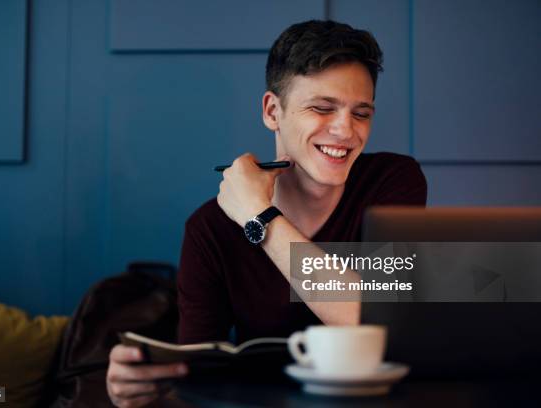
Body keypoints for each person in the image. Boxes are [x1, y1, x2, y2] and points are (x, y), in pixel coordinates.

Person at [107, 19, 426, 407]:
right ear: (273, 111)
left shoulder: (393, 181)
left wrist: (259, 217)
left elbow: (373, 318)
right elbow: (197, 386)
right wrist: (145, 390)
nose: (347, 131)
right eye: (322, 108)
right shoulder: (210, 229)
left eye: (361, 113)